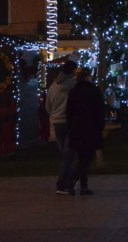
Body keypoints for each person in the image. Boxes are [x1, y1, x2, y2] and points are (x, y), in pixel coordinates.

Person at [65, 66, 105, 196]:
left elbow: (69, 111)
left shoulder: (74, 91)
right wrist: (100, 125)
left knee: (82, 157)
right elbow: (99, 110)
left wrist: (71, 125)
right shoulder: (93, 90)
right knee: (87, 158)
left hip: (77, 128)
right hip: (91, 128)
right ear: (88, 77)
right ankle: (72, 181)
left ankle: (83, 186)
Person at [45, 60, 77, 195]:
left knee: (65, 154)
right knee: (69, 154)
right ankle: (63, 183)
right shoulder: (74, 85)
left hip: (57, 122)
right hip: (70, 122)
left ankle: (67, 182)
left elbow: (48, 107)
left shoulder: (52, 87)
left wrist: (54, 115)